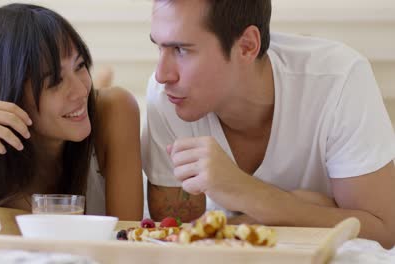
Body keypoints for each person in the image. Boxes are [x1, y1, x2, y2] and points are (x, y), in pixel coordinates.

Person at [142, 0, 395, 248]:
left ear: (246, 46)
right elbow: (174, 240)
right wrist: (301, 206)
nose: (162, 74)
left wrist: (249, 193)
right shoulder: (169, 98)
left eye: (181, 50)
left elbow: (385, 232)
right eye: (159, 47)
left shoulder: (337, 81)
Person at [0, 3, 143, 222]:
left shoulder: (116, 110)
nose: (80, 90)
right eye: (55, 81)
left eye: (80, 65)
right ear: (11, 94)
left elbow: (128, 240)